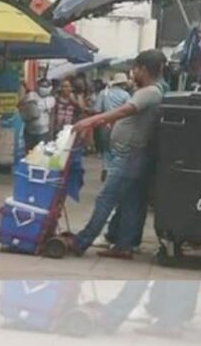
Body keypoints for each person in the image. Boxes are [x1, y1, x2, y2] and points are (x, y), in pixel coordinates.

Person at [69, 50, 167, 258]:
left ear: (143, 69)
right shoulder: (152, 91)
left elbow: (125, 111)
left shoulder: (149, 92)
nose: (133, 74)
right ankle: (124, 244)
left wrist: (91, 121)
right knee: (131, 200)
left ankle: (82, 241)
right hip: (133, 155)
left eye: (135, 69)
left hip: (129, 156)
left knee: (106, 198)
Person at [18, 78, 56, 149]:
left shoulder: (51, 99)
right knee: (29, 153)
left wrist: (51, 132)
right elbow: (21, 104)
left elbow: (52, 116)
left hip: (43, 132)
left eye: (45, 86)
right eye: (42, 86)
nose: (43, 88)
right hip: (29, 131)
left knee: (40, 154)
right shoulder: (31, 95)